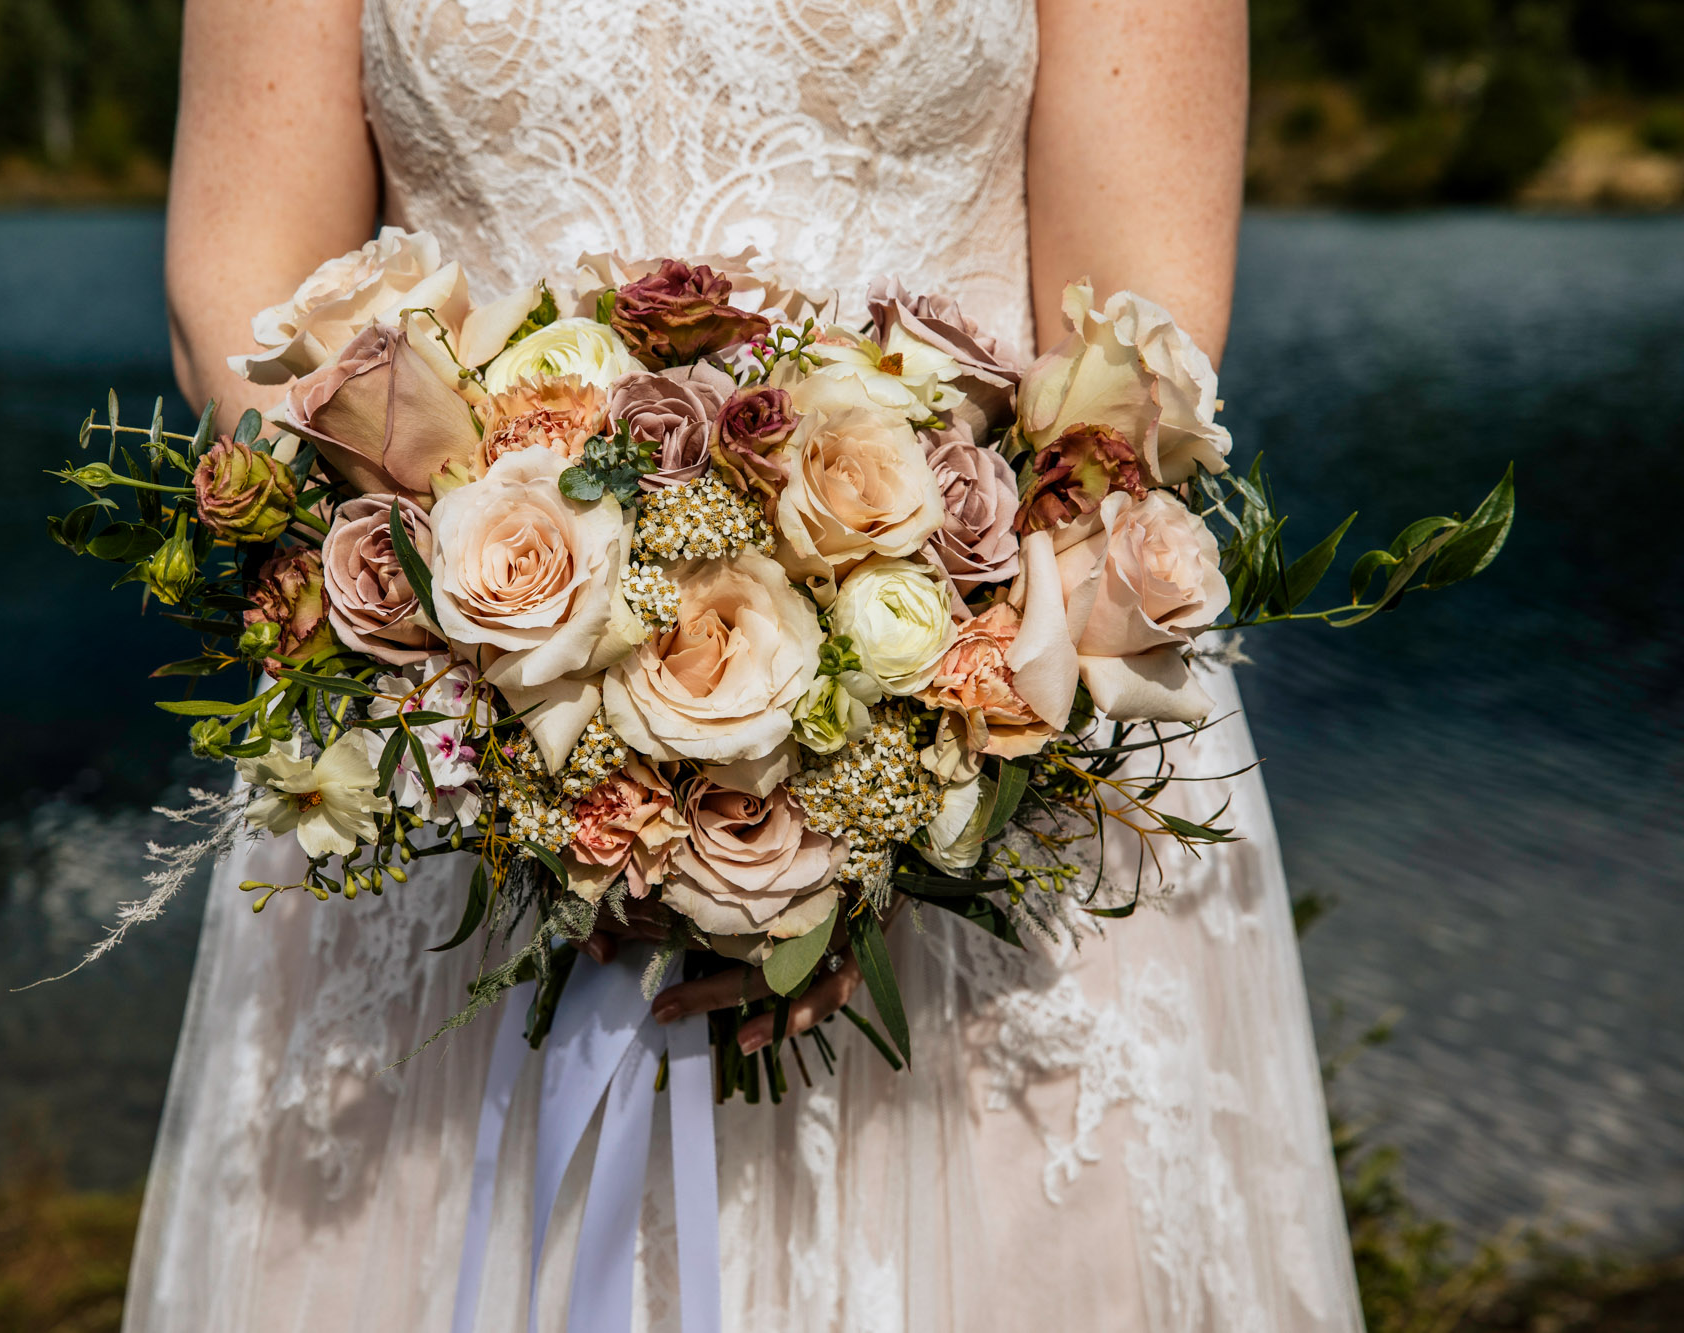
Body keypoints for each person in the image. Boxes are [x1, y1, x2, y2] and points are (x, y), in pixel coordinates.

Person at [129, 1, 1363, 1328]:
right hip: (445, 772)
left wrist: (885, 779)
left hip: (994, 744)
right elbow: (243, 296)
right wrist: (491, 718)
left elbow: (1136, 332)